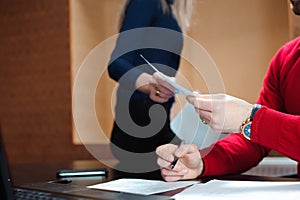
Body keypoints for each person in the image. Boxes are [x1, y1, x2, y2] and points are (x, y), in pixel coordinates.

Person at [155, 0, 300, 181]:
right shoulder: (286, 58)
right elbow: (254, 142)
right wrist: (201, 162)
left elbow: (256, 125)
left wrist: (251, 118)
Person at [107, 0, 193, 174]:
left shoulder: (170, 10)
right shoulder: (146, 2)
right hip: (138, 118)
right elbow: (117, 64)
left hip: (160, 118)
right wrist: (151, 85)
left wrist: (171, 106)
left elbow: (165, 69)